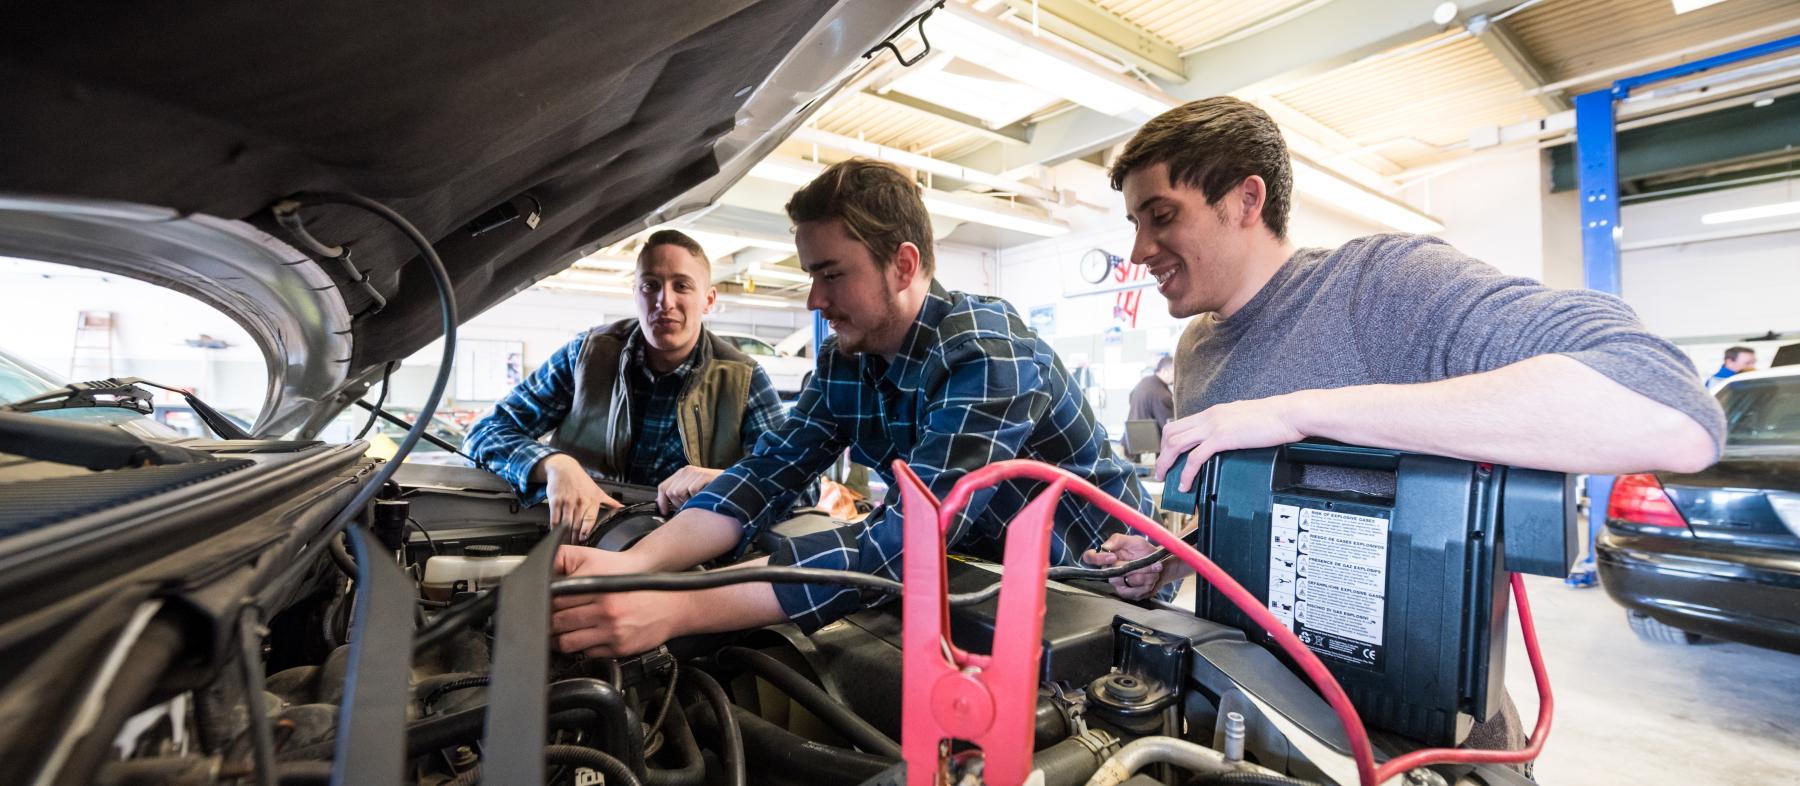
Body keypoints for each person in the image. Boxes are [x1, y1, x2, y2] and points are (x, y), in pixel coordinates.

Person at [1080, 97, 1725, 749]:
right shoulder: (1197, 349)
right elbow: (1251, 521)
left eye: (1161, 216)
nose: (1138, 249)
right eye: (1134, 223)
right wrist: (1170, 560)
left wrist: (1293, 413)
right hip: (1265, 723)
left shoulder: (1376, 288)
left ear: (1247, 200)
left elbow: (1669, 413)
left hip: (1421, 743)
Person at [549, 159, 1149, 656]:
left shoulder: (988, 356)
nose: (815, 299)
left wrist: (678, 610)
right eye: (811, 274)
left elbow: (910, 541)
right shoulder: (847, 362)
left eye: (831, 274)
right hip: (980, 584)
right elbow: (764, 476)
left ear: (904, 265)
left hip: (1102, 595)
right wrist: (635, 563)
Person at [464, 229, 788, 538]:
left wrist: (729, 480)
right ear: (635, 293)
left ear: (708, 300)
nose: (665, 301)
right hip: (585, 539)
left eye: (682, 286)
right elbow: (484, 434)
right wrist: (553, 465)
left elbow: (797, 482)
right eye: (650, 285)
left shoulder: (744, 379)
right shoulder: (586, 356)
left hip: (689, 554)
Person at [1127, 355, 1176, 432]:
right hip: (1149, 441)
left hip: (1130, 439)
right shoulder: (1162, 394)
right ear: (1164, 371)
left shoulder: (1144, 381)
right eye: (1175, 373)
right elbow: (1170, 427)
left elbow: (1130, 397)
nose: (1177, 376)